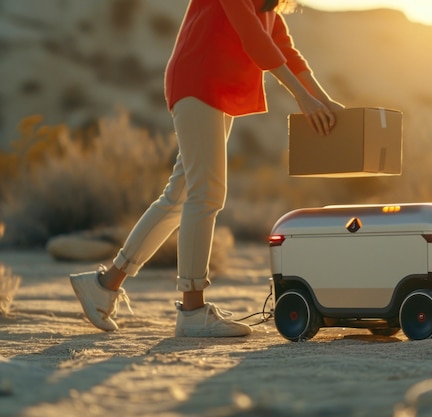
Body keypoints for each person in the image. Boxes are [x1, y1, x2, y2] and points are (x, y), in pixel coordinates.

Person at [70, 0, 343, 337]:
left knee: (179, 195)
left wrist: (323, 99)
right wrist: (302, 98)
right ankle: (193, 309)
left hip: (215, 91)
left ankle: (105, 284)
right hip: (198, 82)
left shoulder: (268, 7)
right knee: (207, 193)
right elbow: (256, 43)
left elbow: (285, 50)